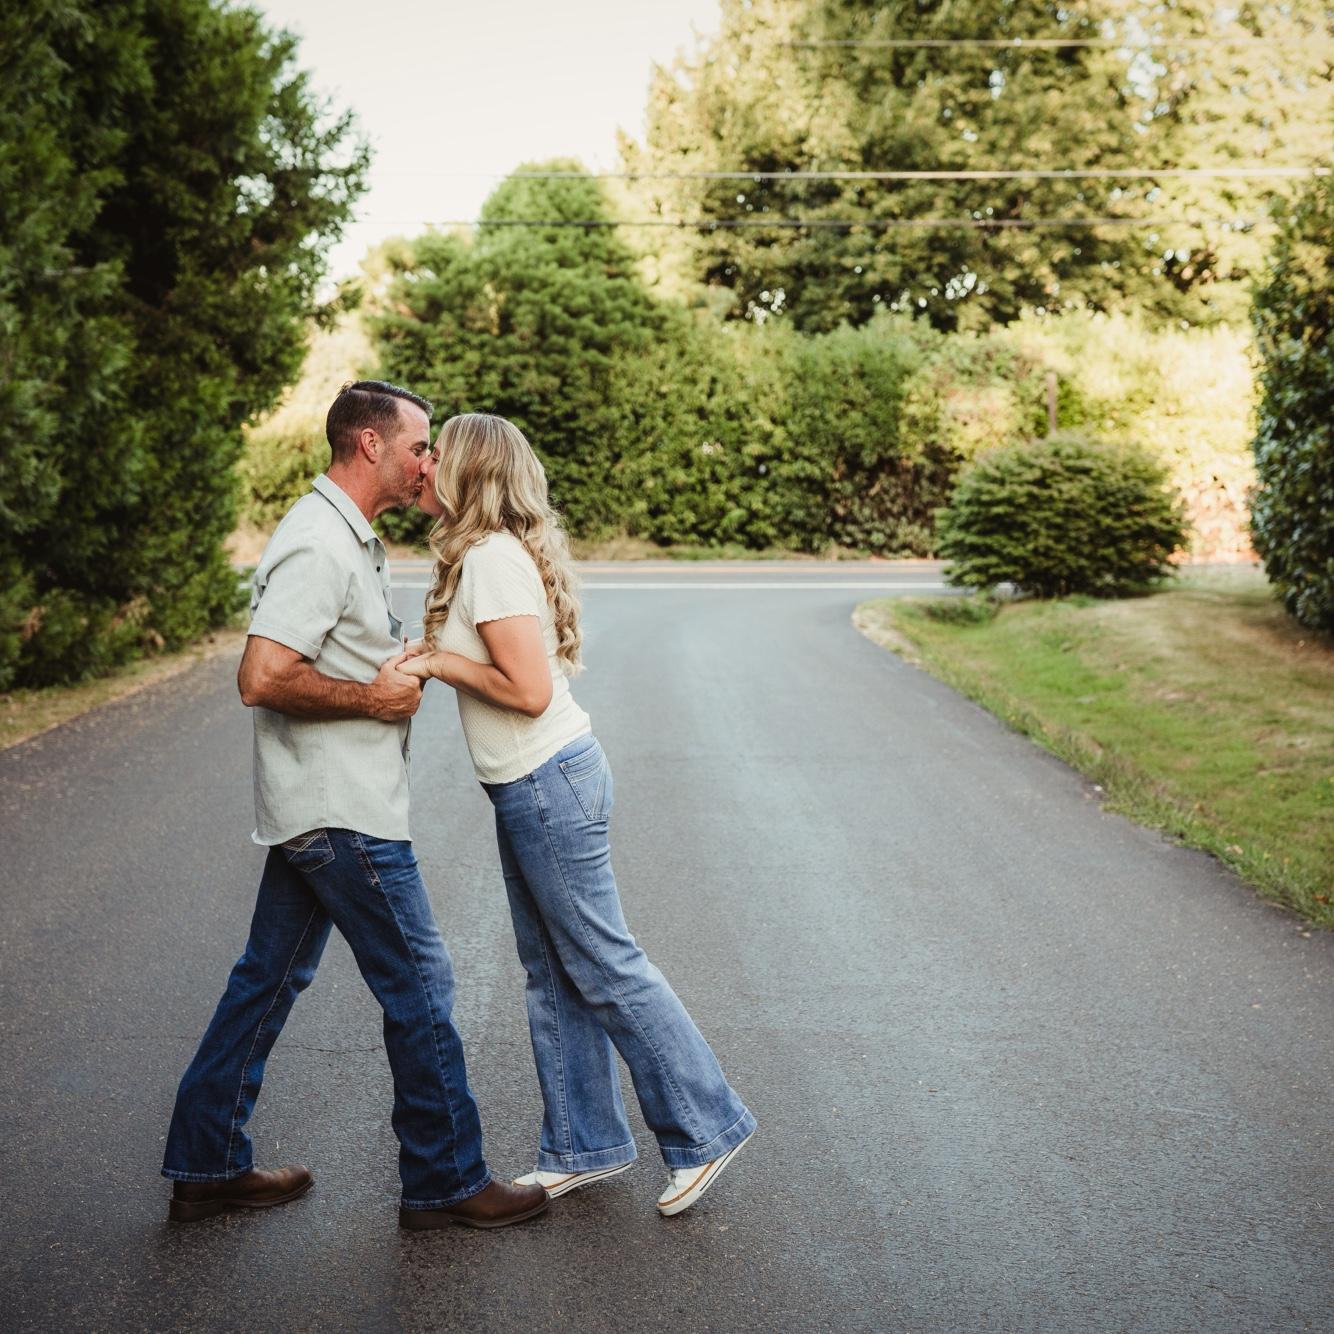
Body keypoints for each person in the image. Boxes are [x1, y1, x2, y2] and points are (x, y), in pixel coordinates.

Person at [160, 382, 546, 1232]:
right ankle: (447, 1180)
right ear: (369, 445)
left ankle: (206, 1160)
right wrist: (374, 702)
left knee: (266, 980)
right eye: (418, 447)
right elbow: (261, 677)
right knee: (421, 985)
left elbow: (327, 651)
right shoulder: (317, 544)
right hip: (343, 817)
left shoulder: (348, 539)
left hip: (321, 804)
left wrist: (398, 667)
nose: (428, 465)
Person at [402, 412, 755, 1217]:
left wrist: (438, 661)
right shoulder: (486, 555)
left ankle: (706, 1127)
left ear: (471, 474)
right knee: (553, 970)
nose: (422, 469)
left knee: (602, 964)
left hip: (546, 783)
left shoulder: (490, 559)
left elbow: (527, 693)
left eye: (436, 457)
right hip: (530, 785)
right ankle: (583, 1144)